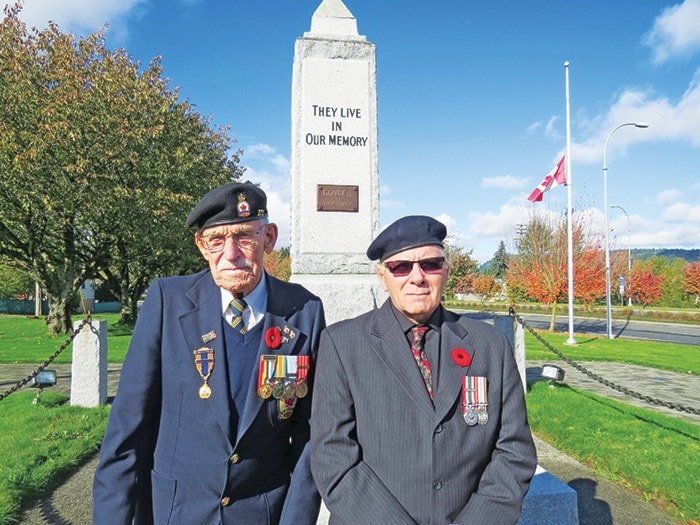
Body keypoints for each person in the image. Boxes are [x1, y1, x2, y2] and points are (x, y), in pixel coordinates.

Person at [93, 182, 325, 525]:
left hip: (261, 516)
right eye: (216, 240)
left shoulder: (304, 311)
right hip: (176, 513)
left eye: (244, 236)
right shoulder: (167, 302)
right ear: (202, 246)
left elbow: (309, 438)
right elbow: (127, 433)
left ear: (269, 238)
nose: (230, 253)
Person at [310, 215, 537, 525]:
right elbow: (333, 457)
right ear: (382, 276)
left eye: (430, 264)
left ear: (446, 270)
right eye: (401, 267)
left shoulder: (489, 345)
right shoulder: (342, 344)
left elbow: (513, 451)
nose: (417, 277)